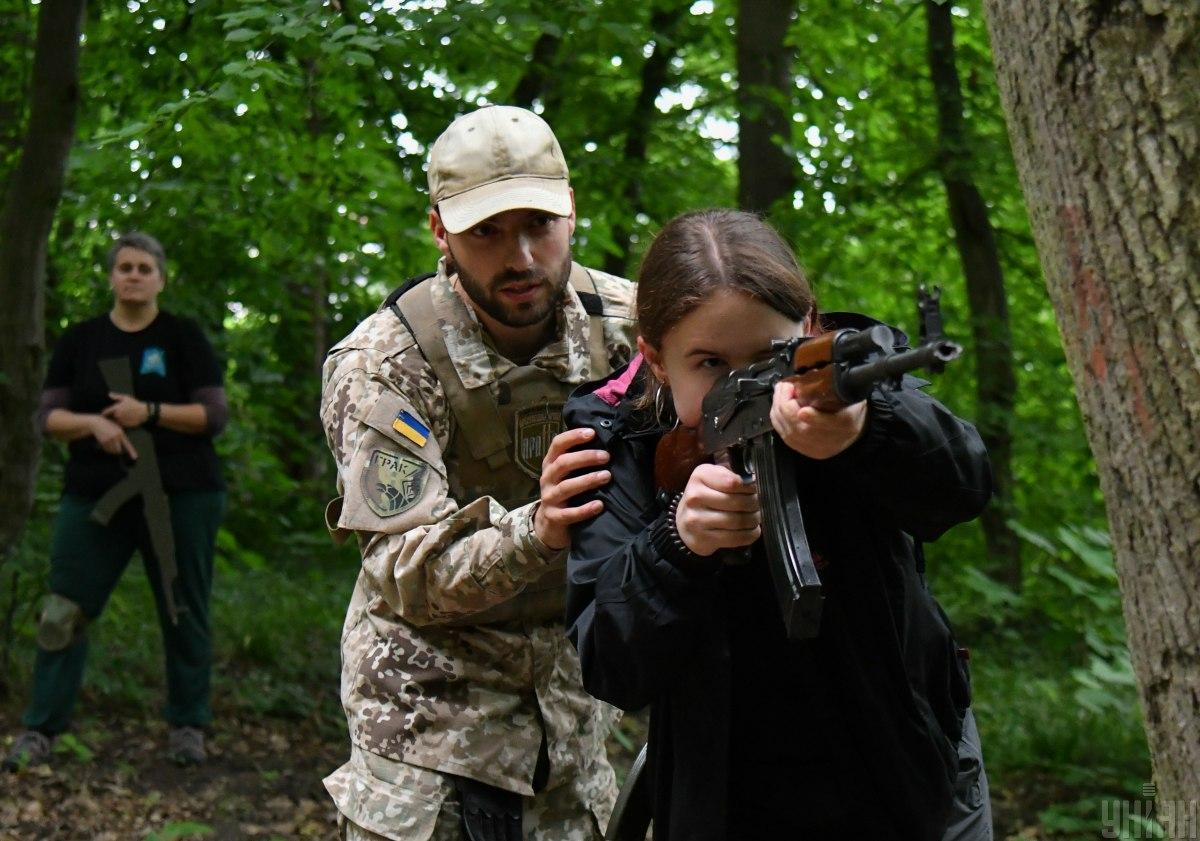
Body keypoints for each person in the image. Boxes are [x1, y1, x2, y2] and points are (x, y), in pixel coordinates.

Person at [563, 209, 994, 840]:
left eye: (770, 356)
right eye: (710, 363)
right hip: (728, 796)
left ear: (809, 325)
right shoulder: (619, 441)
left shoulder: (857, 390)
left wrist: (867, 433)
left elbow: (965, 487)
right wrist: (676, 544)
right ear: (655, 359)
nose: (745, 381)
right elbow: (609, 666)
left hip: (907, 774)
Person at [319, 105, 637, 840]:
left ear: (571, 210)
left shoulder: (632, 329)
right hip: (427, 730)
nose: (520, 257)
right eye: (486, 231)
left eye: (538, 224)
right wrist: (541, 530)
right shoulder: (385, 365)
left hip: (574, 730)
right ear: (440, 230)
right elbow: (407, 570)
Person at [3, 232, 228, 771]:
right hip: (95, 494)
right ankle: (41, 728)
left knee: (183, 610)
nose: (133, 275)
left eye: (144, 268)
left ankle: (188, 725)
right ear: (111, 276)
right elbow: (48, 416)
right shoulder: (82, 340)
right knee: (63, 610)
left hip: (181, 494)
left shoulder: (182, 337)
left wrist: (147, 413)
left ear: (161, 279)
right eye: (125, 267)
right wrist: (93, 425)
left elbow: (213, 415)